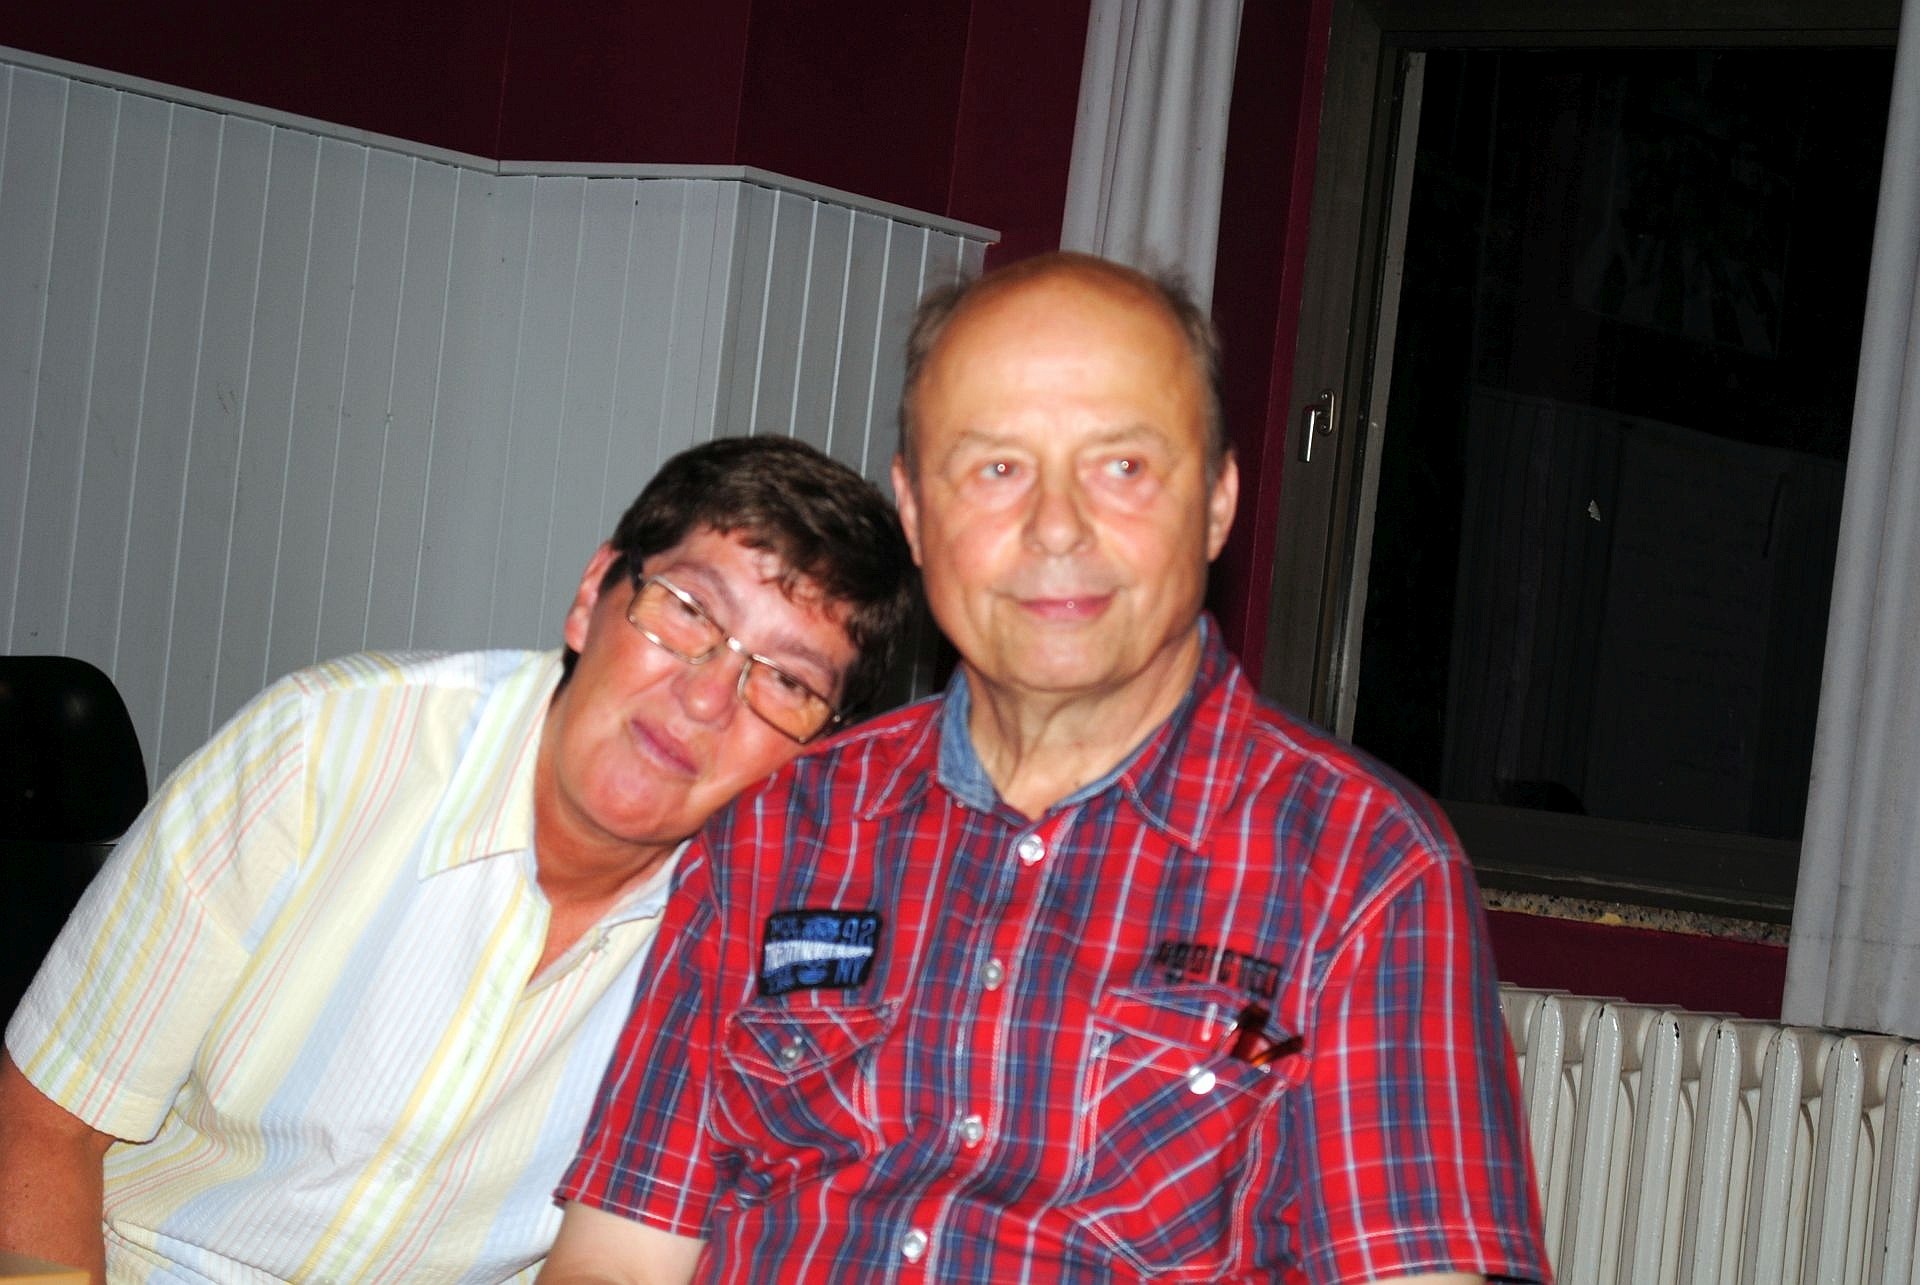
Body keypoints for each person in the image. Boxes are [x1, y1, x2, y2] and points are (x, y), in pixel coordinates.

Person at [540, 254, 1550, 1285]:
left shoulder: (1366, 868)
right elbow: (616, 1258)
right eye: (996, 469)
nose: (1056, 526)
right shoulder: (776, 827)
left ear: (1217, 500)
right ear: (916, 512)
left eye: (1123, 467)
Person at [0, 435, 917, 1284]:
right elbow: (44, 1125)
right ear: (592, 595)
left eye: (787, 680)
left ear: (820, 749)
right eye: (686, 610)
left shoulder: (776, 935)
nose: (708, 696)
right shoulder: (324, 751)